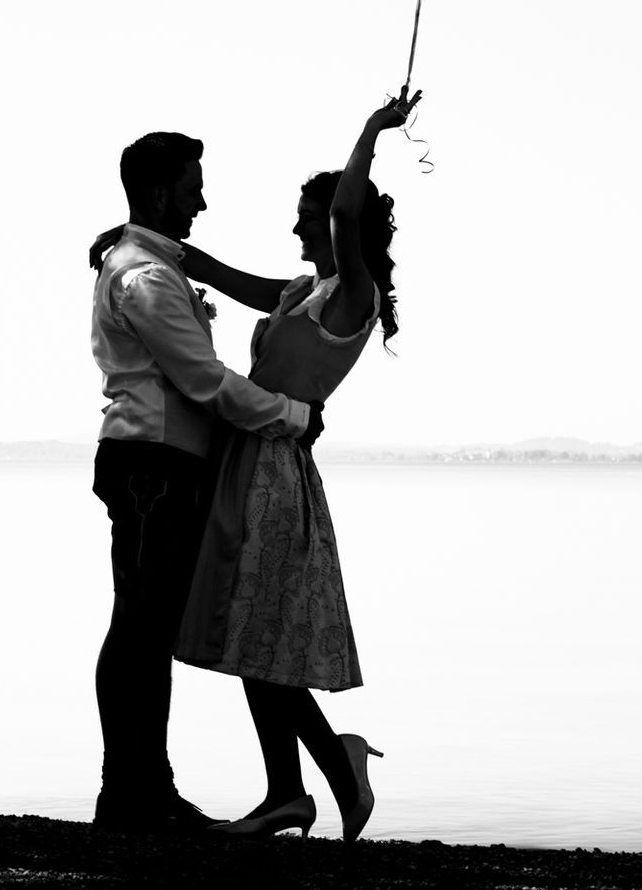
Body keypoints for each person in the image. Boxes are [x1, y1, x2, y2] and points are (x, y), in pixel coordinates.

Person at [171, 90, 419, 842]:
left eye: (305, 216)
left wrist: (372, 130)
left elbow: (347, 213)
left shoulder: (355, 295)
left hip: (276, 477)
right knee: (254, 643)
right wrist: (155, 242)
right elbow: (230, 275)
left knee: (262, 643)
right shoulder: (300, 291)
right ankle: (300, 787)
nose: (297, 225)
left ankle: (308, 785)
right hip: (244, 464)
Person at [86, 131, 322, 838]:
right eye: (192, 188)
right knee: (140, 629)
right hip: (151, 471)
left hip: (157, 467)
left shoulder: (149, 264)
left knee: (141, 630)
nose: (202, 201)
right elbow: (204, 380)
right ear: (159, 192)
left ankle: (137, 788)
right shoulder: (147, 279)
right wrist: (290, 414)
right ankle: (133, 793)